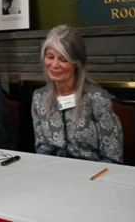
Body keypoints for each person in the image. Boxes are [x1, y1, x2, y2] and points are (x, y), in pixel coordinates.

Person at [31, 25, 123, 163]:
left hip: (92, 175)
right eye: (50, 57)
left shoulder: (97, 99)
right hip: (55, 174)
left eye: (63, 59)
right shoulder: (39, 98)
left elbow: (113, 158)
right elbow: (41, 149)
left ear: (77, 63)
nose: (54, 65)